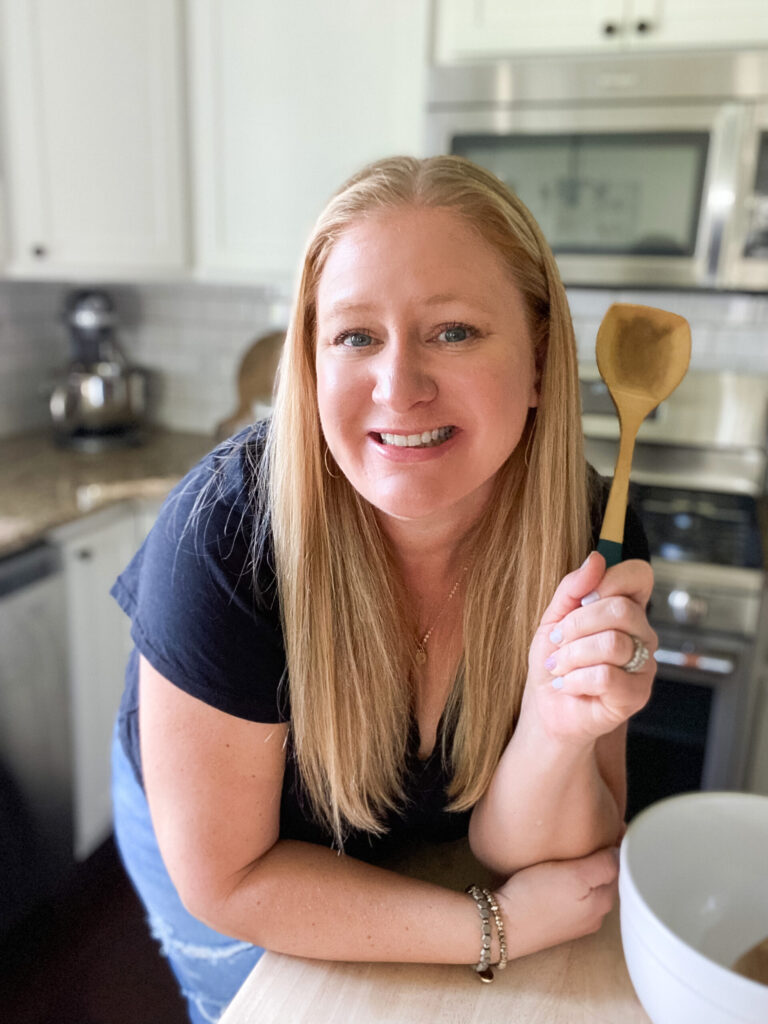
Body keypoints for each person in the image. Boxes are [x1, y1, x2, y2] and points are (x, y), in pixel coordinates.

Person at [110, 155, 656, 1023]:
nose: (398, 388)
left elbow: (550, 859)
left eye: (454, 332)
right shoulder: (222, 535)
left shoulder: (591, 532)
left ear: (543, 360)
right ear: (312, 361)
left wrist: (556, 733)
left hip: (420, 852)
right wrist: (491, 931)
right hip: (231, 842)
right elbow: (232, 878)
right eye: (356, 337)